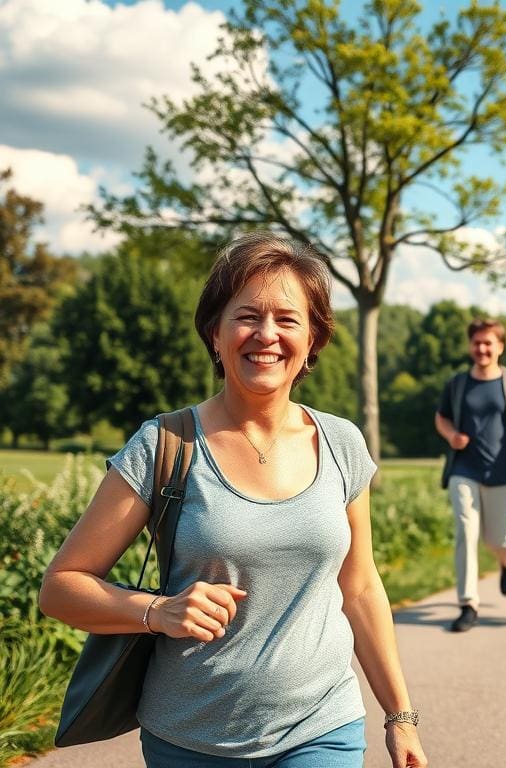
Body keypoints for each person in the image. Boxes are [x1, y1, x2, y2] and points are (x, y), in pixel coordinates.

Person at [40, 232, 427, 768]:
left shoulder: (342, 443)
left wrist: (399, 716)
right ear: (215, 334)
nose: (266, 334)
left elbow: (359, 586)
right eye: (246, 316)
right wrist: (158, 611)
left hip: (321, 726)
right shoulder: (165, 444)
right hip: (189, 739)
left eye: (288, 319)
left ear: (313, 339)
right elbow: (60, 589)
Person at [434, 318, 506, 633]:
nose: (481, 348)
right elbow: (440, 418)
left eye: (488, 343)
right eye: (476, 343)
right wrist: (451, 435)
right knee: (466, 531)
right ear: (470, 346)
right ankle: (468, 604)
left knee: (494, 538)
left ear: (500, 347)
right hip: (463, 468)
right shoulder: (457, 384)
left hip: (502, 470)